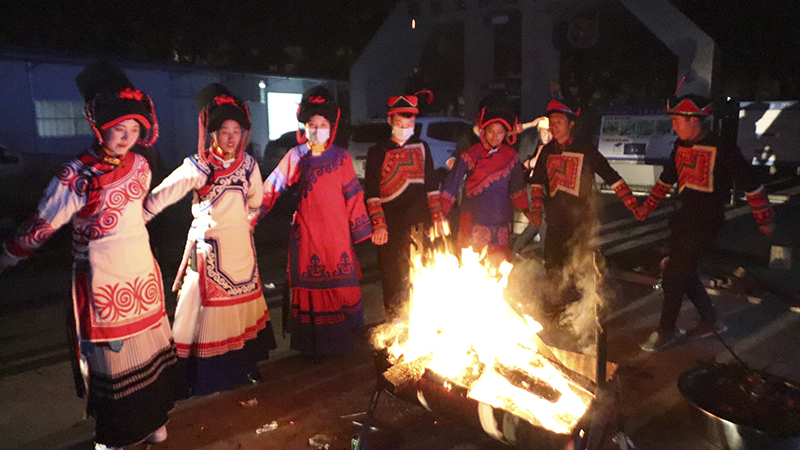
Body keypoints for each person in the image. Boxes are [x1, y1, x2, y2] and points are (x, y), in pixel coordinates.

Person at [0, 61, 182, 450]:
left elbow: (138, 213)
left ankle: (155, 422)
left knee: (149, 350)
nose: (127, 137)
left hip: (141, 275)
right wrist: (10, 255)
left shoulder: (140, 165)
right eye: (119, 128)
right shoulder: (77, 174)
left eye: (134, 129)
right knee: (113, 360)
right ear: (99, 126)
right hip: (103, 280)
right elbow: (43, 222)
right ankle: (119, 434)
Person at [142, 83, 276, 395]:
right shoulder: (199, 165)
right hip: (209, 253)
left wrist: (246, 224)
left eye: (236, 131)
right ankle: (201, 377)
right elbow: (161, 196)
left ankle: (243, 367)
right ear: (212, 133)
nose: (231, 138)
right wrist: (133, 220)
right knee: (202, 315)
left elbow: (256, 201)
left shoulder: (248, 165)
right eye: (224, 131)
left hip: (241, 253)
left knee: (243, 310)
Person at [635, 93, 774, 352]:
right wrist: (647, 206)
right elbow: (667, 178)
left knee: (674, 275)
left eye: (677, 120)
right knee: (683, 271)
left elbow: (750, 183)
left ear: (694, 120)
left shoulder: (723, 148)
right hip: (682, 220)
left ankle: (666, 330)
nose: (674, 126)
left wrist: (764, 219)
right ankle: (711, 321)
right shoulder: (680, 145)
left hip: (707, 223)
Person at [259, 86, 373, 358]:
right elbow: (270, 188)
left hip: (337, 237)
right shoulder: (296, 156)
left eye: (323, 125)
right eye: (312, 125)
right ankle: (313, 348)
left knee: (342, 289)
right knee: (312, 291)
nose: (317, 130)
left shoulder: (342, 158)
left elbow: (353, 196)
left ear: (331, 127)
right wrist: (250, 215)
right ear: (304, 126)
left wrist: (362, 231)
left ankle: (343, 344)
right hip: (308, 235)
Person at [364, 90, 448, 319]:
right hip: (390, 225)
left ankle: (420, 322)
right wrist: (379, 224)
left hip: (418, 222)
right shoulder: (377, 151)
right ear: (390, 121)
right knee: (392, 276)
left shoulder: (422, 147)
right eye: (400, 123)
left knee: (419, 272)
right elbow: (371, 192)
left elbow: (431, 185)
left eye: (409, 123)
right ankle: (394, 325)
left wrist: (438, 216)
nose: (404, 127)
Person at [528, 100, 639, 273]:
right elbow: (537, 181)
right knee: (552, 267)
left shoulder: (585, 149)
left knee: (580, 269)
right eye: (551, 122)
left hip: (580, 222)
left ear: (571, 124)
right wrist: (535, 210)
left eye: (559, 122)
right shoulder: (547, 151)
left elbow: (609, 175)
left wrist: (632, 204)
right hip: (555, 222)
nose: (553, 126)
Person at [440, 100, 533, 265]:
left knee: (499, 268)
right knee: (472, 267)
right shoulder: (471, 154)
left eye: (500, 132)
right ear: (483, 131)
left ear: (506, 134)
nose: (495, 136)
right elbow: (452, 183)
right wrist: (441, 214)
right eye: (491, 131)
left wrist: (528, 211)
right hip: (473, 219)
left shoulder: (511, 156)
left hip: (501, 220)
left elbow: (517, 187)